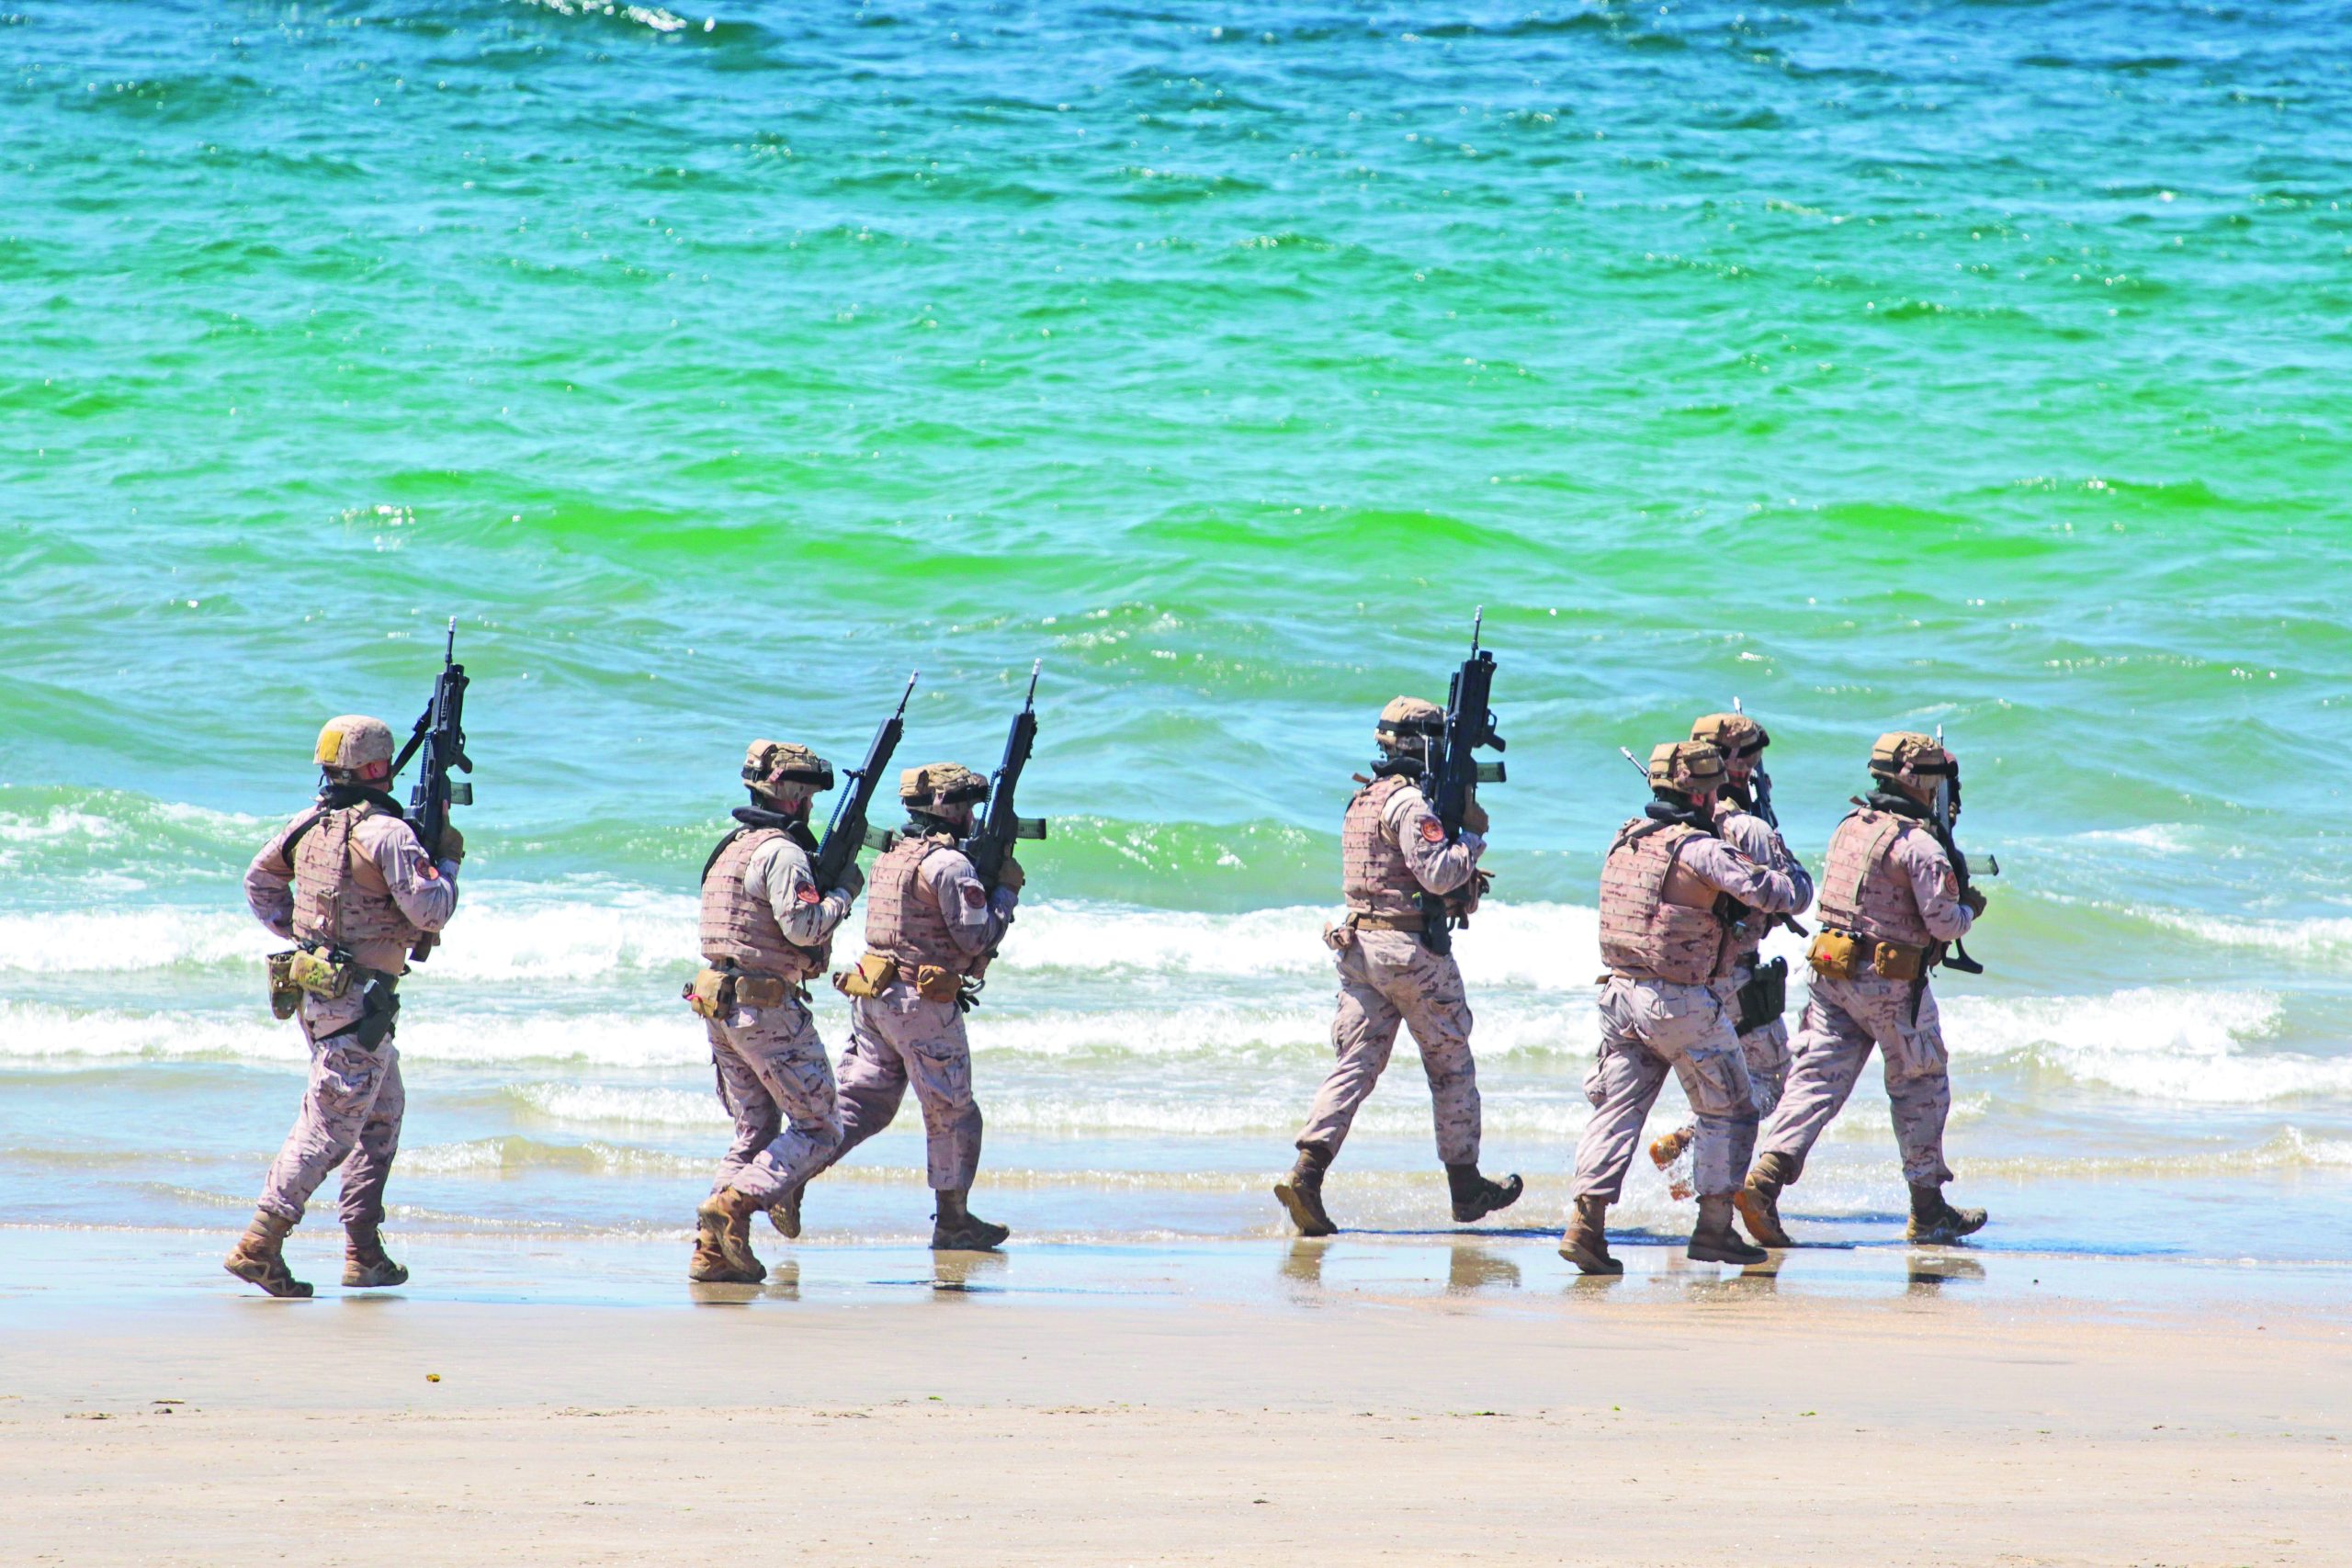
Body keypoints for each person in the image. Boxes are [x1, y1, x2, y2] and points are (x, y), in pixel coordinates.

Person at [227, 716, 463, 1298]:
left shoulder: (308, 824)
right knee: (328, 1129)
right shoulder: (387, 834)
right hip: (357, 1006)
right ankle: (260, 1243)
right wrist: (449, 864)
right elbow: (431, 911)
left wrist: (305, 937)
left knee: (381, 1112)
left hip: (321, 995)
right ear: (379, 767)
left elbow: (259, 883)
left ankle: (363, 1249)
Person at [1273, 696, 1521, 1238]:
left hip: (1360, 949)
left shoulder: (1363, 799)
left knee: (1355, 1067)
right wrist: (1472, 837)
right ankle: (1465, 1187)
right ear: (1424, 745)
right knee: (1451, 1068)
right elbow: (1439, 875)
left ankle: (1307, 1173)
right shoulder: (1409, 804)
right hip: (1410, 954)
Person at [1738, 731, 1990, 1247]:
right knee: (1921, 1086)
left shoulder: (1850, 826)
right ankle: (1928, 1210)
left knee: (1815, 1082)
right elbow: (1943, 923)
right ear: (1920, 782)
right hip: (1891, 984)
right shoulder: (1920, 846)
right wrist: (1970, 909)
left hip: (1832, 972)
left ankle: (1764, 1179)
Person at [1562, 739, 1802, 1275]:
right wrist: (1791, 873)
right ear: (1700, 796)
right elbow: (1776, 893)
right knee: (1732, 1108)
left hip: (1619, 995)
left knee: (1617, 1111)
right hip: (1678, 1001)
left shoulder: (1626, 838)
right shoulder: (1701, 849)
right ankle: (1714, 1228)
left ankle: (1585, 1226)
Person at [797, 762, 1020, 1251]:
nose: (972, 816)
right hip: (922, 1005)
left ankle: (790, 1179)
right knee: (954, 1114)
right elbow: (977, 936)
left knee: (862, 1106)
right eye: (968, 807)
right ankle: (954, 1222)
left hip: (875, 997)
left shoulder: (892, 856)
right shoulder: (949, 865)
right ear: (951, 810)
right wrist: (1006, 890)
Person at [685, 741, 865, 1284]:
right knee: (820, 1127)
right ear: (794, 796)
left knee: (755, 1129)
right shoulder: (782, 853)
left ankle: (711, 1253)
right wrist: (844, 893)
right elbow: (804, 927)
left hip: (720, 1005)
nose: (810, 805)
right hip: (764, 1010)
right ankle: (734, 1206)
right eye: (807, 795)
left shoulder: (731, 848)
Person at [1647, 711, 1815, 1191]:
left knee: (1719, 1079)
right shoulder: (1747, 828)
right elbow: (1796, 891)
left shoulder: (1674, 820)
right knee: (1772, 1080)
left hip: (1684, 972)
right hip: (1735, 974)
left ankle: (1690, 1165)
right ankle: (1689, 1153)